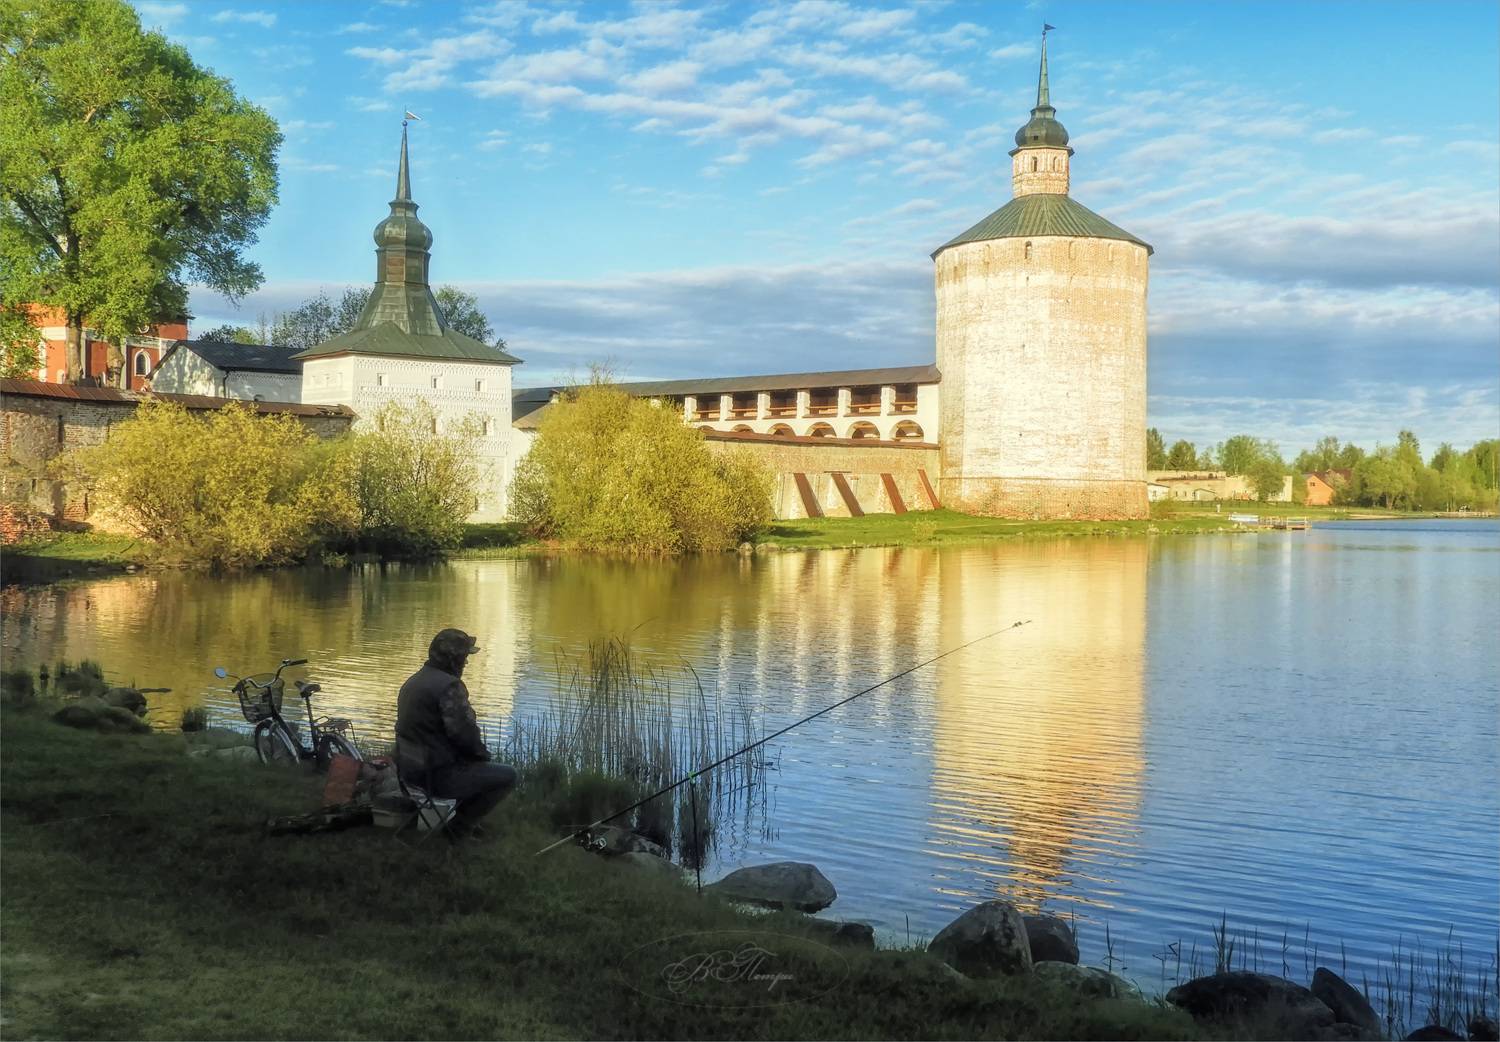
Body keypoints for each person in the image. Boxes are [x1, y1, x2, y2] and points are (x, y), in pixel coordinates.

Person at [395, 628, 517, 837]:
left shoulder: (414, 681)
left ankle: (459, 823)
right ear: (453, 658)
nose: (466, 663)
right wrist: (482, 757)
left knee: (476, 765)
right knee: (509, 776)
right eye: (464, 657)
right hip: (436, 777)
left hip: (408, 773)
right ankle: (458, 829)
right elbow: (465, 735)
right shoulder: (449, 687)